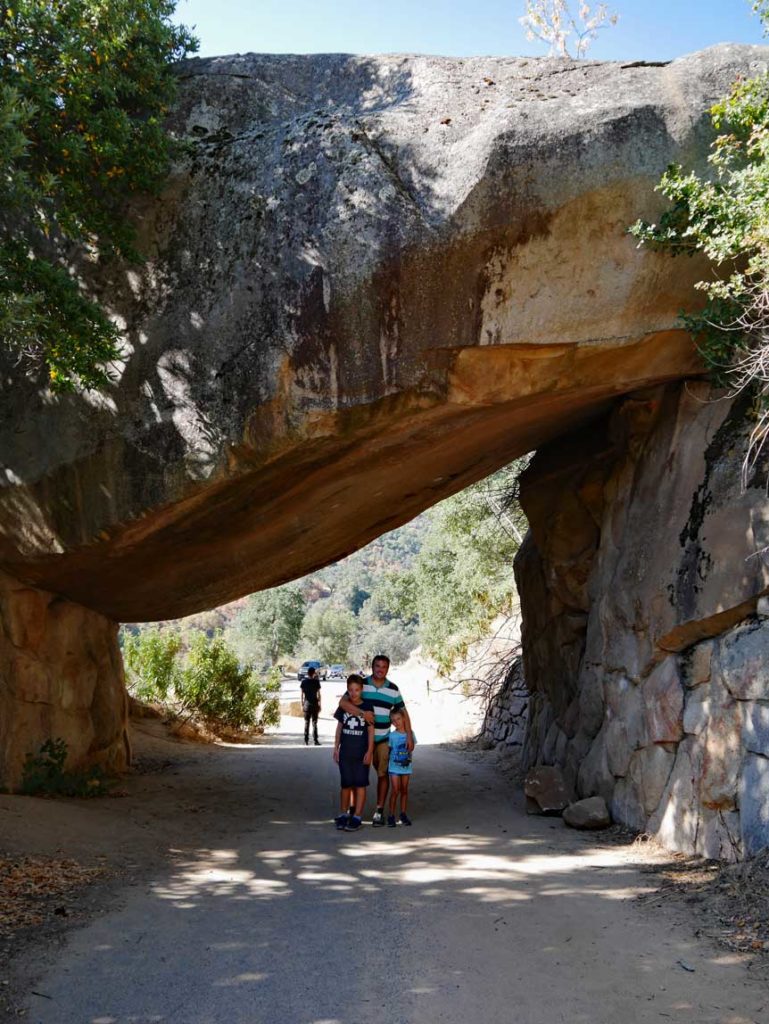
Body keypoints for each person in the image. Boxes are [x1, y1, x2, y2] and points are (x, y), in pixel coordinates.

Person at [337, 653, 413, 828]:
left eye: (384, 667)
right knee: (357, 776)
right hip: (360, 741)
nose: (380, 669)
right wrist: (363, 714)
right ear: (372, 667)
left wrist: (408, 734)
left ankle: (379, 811)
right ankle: (353, 810)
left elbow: (404, 712)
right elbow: (343, 703)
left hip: (383, 739)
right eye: (377, 666)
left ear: (388, 669)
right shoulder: (361, 684)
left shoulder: (393, 689)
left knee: (383, 775)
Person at [332, 674, 374, 832]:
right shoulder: (344, 706)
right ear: (347, 690)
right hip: (346, 753)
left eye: (357, 690)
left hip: (361, 753)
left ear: (362, 690)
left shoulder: (368, 707)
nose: (354, 693)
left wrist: (370, 751)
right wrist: (336, 747)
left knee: (360, 784)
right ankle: (343, 814)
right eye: (350, 690)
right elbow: (339, 728)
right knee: (346, 784)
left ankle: (357, 816)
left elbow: (371, 730)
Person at [387, 708, 416, 827]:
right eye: (393, 720)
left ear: (404, 718)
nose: (396, 722)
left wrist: (408, 740)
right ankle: (391, 815)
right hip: (394, 767)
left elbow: (412, 748)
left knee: (404, 790)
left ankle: (403, 814)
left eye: (398, 719)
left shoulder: (410, 734)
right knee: (395, 790)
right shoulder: (392, 736)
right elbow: (389, 750)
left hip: (406, 767)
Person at [300, 666, 321, 746]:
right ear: (314, 673)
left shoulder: (304, 682)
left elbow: (301, 694)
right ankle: (316, 740)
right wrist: (320, 704)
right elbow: (319, 695)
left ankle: (306, 740)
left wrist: (302, 704)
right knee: (315, 722)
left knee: (306, 722)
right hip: (315, 704)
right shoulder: (316, 682)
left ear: (307, 673)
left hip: (306, 704)